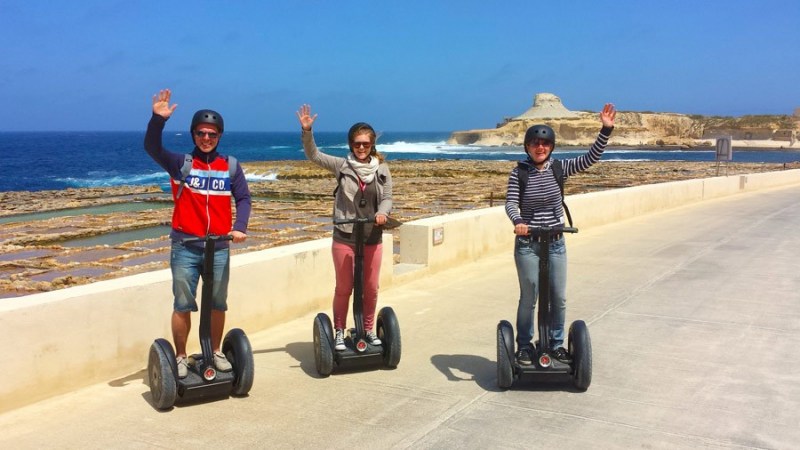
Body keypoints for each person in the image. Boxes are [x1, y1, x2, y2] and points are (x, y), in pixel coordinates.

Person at [144, 89, 252, 378]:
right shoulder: (181, 164)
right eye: (202, 133)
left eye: (212, 135)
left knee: (217, 303)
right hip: (186, 246)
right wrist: (157, 120)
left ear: (219, 137)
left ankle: (215, 351)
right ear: (194, 135)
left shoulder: (229, 166)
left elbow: (243, 199)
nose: (207, 139)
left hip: (218, 247)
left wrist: (239, 227)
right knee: (183, 304)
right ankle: (180, 356)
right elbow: (152, 147)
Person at [505, 103, 616, 365]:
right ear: (527, 147)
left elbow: (590, 159)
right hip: (528, 243)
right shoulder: (518, 172)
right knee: (529, 297)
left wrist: (606, 130)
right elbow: (511, 202)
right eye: (534, 144)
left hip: (555, 243)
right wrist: (519, 221)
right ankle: (523, 346)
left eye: (544, 144)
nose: (539, 148)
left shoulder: (559, 168)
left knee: (558, 297)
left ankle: (555, 345)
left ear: (551, 147)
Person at [296, 104, 393, 351]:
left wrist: (382, 213)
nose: (361, 148)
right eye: (357, 144)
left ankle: (368, 329)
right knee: (345, 287)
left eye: (366, 144)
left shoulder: (382, 169)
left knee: (370, 288)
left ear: (372, 146)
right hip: (345, 235)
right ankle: (339, 331)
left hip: (372, 235)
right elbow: (314, 155)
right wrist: (307, 131)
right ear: (351, 144)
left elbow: (387, 198)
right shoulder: (342, 165)